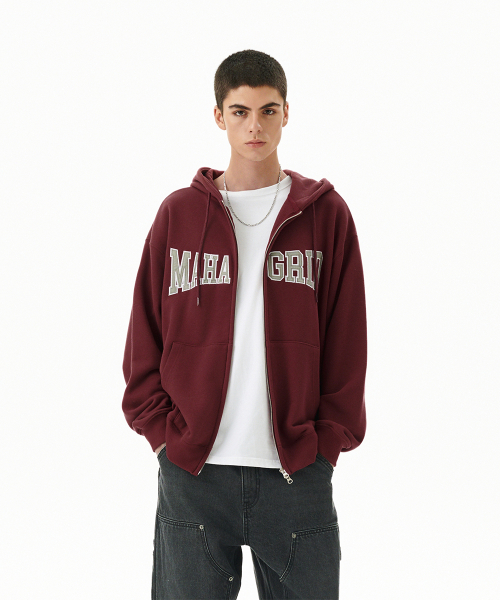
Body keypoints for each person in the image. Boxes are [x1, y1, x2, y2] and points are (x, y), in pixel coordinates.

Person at [122, 49, 367, 600]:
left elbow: (348, 338)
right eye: (240, 111)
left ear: (287, 113)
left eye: (268, 110)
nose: (255, 126)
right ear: (219, 116)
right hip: (195, 472)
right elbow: (144, 333)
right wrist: (163, 438)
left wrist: (326, 446)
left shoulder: (326, 215)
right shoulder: (179, 214)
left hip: (297, 472)